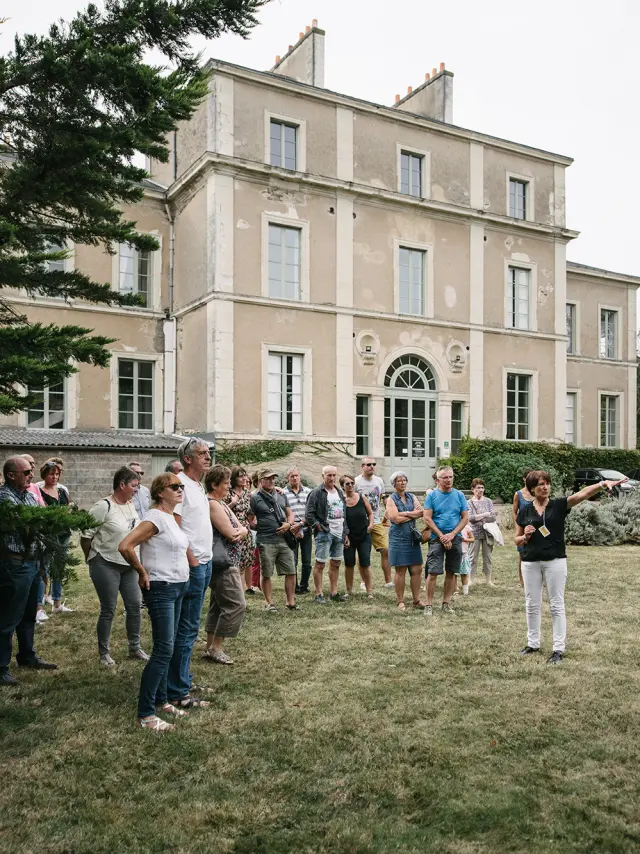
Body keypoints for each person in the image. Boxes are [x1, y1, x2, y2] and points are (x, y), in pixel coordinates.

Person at [515, 470, 626, 664]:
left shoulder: (558, 505)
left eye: (547, 483)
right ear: (532, 488)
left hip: (555, 561)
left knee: (556, 604)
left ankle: (558, 649)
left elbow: (581, 495)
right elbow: (516, 538)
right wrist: (524, 537)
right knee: (532, 604)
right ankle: (533, 643)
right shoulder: (525, 510)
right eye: (541, 484)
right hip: (530, 562)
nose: (545, 487)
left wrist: (601, 485)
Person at [118, 472, 198, 731]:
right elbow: (126, 545)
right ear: (159, 492)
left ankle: (163, 701)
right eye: (174, 486)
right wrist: (142, 572)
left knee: (170, 646)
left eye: (181, 486)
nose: (179, 490)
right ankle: (145, 713)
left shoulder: (169, 518)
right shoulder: (153, 518)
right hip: (161, 588)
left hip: (177, 587)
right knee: (163, 650)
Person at [81, 466, 149, 666]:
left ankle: (135, 648)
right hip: (105, 562)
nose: (137, 490)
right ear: (122, 485)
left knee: (135, 606)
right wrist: (91, 558)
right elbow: (86, 536)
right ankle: (104, 653)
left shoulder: (130, 504)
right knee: (108, 609)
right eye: (134, 486)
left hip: (128, 564)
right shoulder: (103, 506)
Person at [0, 456, 57, 687]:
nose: (30, 475)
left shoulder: (29, 495)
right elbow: (29, 522)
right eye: (26, 472)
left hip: (32, 563)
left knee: (28, 614)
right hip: (14, 564)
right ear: (11, 475)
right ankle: (1, 667)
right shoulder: (4, 497)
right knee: (8, 618)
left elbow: (40, 522)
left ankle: (27, 655)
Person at [166, 438, 213, 707]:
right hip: (192, 566)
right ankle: (178, 691)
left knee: (190, 628)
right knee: (186, 628)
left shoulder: (197, 485)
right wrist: (193, 561)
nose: (207, 457)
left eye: (208, 453)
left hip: (203, 564)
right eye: (201, 454)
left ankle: (182, 678)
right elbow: (174, 526)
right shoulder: (179, 485)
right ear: (187, 459)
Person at [203, 465, 248, 664]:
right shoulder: (212, 504)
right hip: (223, 562)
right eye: (226, 483)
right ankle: (217, 647)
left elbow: (241, 527)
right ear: (214, 485)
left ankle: (209, 646)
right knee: (236, 604)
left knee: (217, 605)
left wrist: (242, 530)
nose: (229, 487)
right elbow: (232, 533)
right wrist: (242, 531)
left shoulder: (221, 503)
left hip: (229, 560)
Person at [250, 469, 298, 612]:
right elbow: (250, 520)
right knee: (266, 573)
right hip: (265, 540)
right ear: (260, 481)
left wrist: (288, 524)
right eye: (267, 479)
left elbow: (290, 514)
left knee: (291, 571)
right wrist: (262, 527)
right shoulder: (255, 498)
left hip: (284, 539)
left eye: (273, 478)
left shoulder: (282, 495)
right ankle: (268, 602)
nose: (271, 481)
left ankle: (290, 602)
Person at [423, 466, 469, 615]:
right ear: (438, 479)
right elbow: (427, 518)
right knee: (433, 571)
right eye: (445, 477)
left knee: (452, 572)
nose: (449, 480)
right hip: (437, 539)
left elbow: (465, 518)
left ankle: (446, 603)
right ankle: (428, 605)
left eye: (451, 477)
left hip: (455, 538)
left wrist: (452, 534)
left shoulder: (459, 495)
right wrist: (442, 536)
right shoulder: (432, 496)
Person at [306, 466, 350, 603]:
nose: (332, 478)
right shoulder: (316, 492)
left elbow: (344, 514)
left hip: (339, 533)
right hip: (325, 532)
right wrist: (319, 527)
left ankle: (334, 592)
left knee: (336, 563)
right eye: (329, 475)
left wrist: (345, 533)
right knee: (320, 564)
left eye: (334, 475)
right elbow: (309, 514)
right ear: (323, 476)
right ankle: (319, 594)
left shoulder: (339, 492)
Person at [37, 460, 73, 619]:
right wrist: (61, 512)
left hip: (64, 534)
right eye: (52, 474)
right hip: (48, 536)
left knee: (59, 569)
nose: (55, 477)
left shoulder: (62, 491)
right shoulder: (39, 491)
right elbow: (45, 513)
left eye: (57, 474)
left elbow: (70, 505)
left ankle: (57, 604)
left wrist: (68, 509)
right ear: (44, 474)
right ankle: (38, 607)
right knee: (44, 570)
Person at [385, 472, 426, 611]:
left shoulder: (412, 497)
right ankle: (400, 601)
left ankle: (417, 600)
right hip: (398, 538)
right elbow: (394, 518)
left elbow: (421, 512)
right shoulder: (391, 500)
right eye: (399, 480)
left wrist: (405, 514)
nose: (402, 483)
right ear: (394, 484)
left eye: (404, 480)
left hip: (412, 538)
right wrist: (411, 514)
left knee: (417, 569)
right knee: (400, 570)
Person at [355, 458, 393, 589]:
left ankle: (388, 581)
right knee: (363, 552)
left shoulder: (379, 481)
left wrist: (388, 509)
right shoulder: (356, 482)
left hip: (376, 521)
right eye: (368, 465)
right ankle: (363, 582)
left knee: (386, 549)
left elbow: (383, 497)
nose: (372, 466)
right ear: (362, 467)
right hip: (361, 522)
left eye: (373, 464)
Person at [340, 475, 374, 598]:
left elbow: (370, 513)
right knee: (349, 563)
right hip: (349, 537)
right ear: (342, 487)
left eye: (352, 483)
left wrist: (371, 525)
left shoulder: (362, 497)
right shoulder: (341, 501)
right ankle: (349, 591)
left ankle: (369, 591)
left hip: (364, 535)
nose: (350, 485)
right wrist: (345, 535)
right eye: (347, 484)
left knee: (365, 562)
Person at [225, 466, 257, 596]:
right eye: (240, 476)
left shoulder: (248, 493)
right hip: (231, 531)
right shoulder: (228, 493)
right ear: (233, 478)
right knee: (234, 567)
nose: (244, 478)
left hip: (246, 532)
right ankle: (233, 594)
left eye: (245, 475)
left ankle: (240, 595)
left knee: (244, 565)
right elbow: (218, 510)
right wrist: (232, 503)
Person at [283, 468, 312, 595]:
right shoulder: (282, 493)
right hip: (291, 531)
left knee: (307, 561)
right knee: (292, 561)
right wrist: (292, 527)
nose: (295, 478)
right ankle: (294, 587)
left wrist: (301, 524)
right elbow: (282, 513)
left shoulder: (308, 492)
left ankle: (304, 586)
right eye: (292, 476)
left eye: (296, 475)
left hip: (305, 528)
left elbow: (311, 511)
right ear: (287, 478)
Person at [467, 478, 497, 586]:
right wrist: (485, 514)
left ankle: (488, 580)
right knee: (472, 557)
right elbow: (470, 518)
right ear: (473, 489)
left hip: (487, 533)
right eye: (478, 488)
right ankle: (471, 579)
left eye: (482, 488)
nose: (480, 490)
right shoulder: (469, 502)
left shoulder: (488, 501)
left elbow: (493, 517)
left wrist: (480, 517)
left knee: (487, 556)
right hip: (474, 532)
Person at [513, 471, 533, 588]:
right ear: (524, 479)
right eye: (528, 478)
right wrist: (517, 526)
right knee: (522, 555)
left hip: (536, 528)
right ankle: (522, 581)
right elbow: (514, 511)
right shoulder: (518, 494)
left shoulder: (537, 493)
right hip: (523, 527)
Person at [457, 523, 474, 596]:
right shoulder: (453, 526)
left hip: (464, 553)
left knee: (464, 573)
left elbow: (472, 539)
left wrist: (465, 539)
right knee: (453, 574)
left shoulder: (467, 527)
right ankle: (454, 590)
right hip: (455, 553)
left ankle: (465, 591)